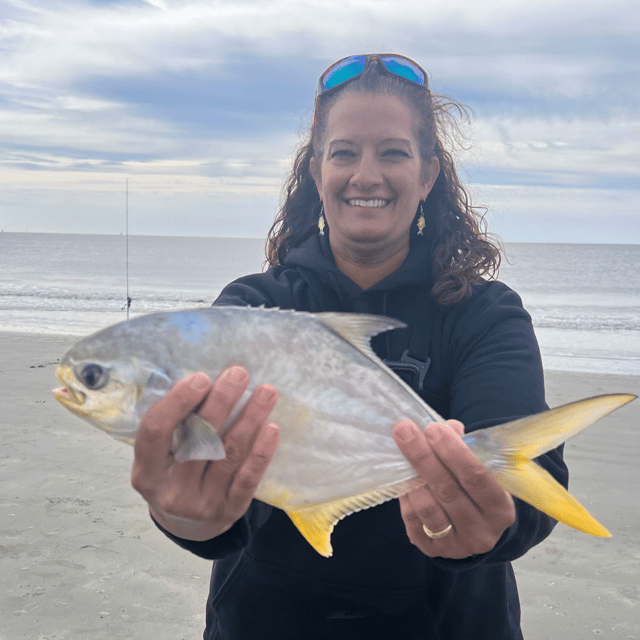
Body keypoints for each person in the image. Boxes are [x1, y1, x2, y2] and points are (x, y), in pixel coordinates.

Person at [131, 54, 566, 639]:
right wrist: (185, 516)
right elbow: (220, 488)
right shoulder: (251, 309)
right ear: (316, 170)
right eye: (344, 153)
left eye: (392, 152)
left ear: (428, 173)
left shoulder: (485, 315)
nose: (367, 175)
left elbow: (532, 480)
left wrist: (496, 521)